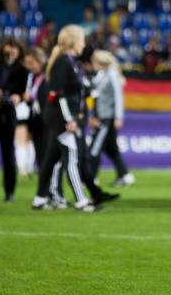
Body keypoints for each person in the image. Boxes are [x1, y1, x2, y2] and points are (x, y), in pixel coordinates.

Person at [31, 25, 115, 211]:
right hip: (60, 118)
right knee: (71, 158)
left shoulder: (71, 62)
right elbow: (57, 94)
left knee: (51, 158)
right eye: (82, 40)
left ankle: (39, 199)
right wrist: (69, 119)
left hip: (61, 116)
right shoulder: (64, 62)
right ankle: (81, 201)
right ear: (74, 41)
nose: (84, 44)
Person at [88, 50, 134, 186]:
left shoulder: (112, 75)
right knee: (111, 149)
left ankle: (91, 178)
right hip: (100, 116)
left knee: (95, 148)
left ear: (100, 62)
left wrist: (118, 117)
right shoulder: (101, 75)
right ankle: (124, 175)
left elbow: (118, 96)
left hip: (107, 118)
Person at [0, 38, 27, 202]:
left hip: (7, 115)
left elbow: (23, 92)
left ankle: (9, 192)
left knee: (8, 155)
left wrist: (17, 97)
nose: (11, 51)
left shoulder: (22, 69)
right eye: (9, 47)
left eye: (15, 48)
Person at [23, 48, 49, 170]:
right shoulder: (32, 78)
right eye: (27, 64)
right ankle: (43, 184)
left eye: (32, 63)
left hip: (48, 120)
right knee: (39, 153)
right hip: (36, 120)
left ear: (41, 60)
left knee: (48, 155)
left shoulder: (49, 76)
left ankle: (53, 186)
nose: (30, 67)